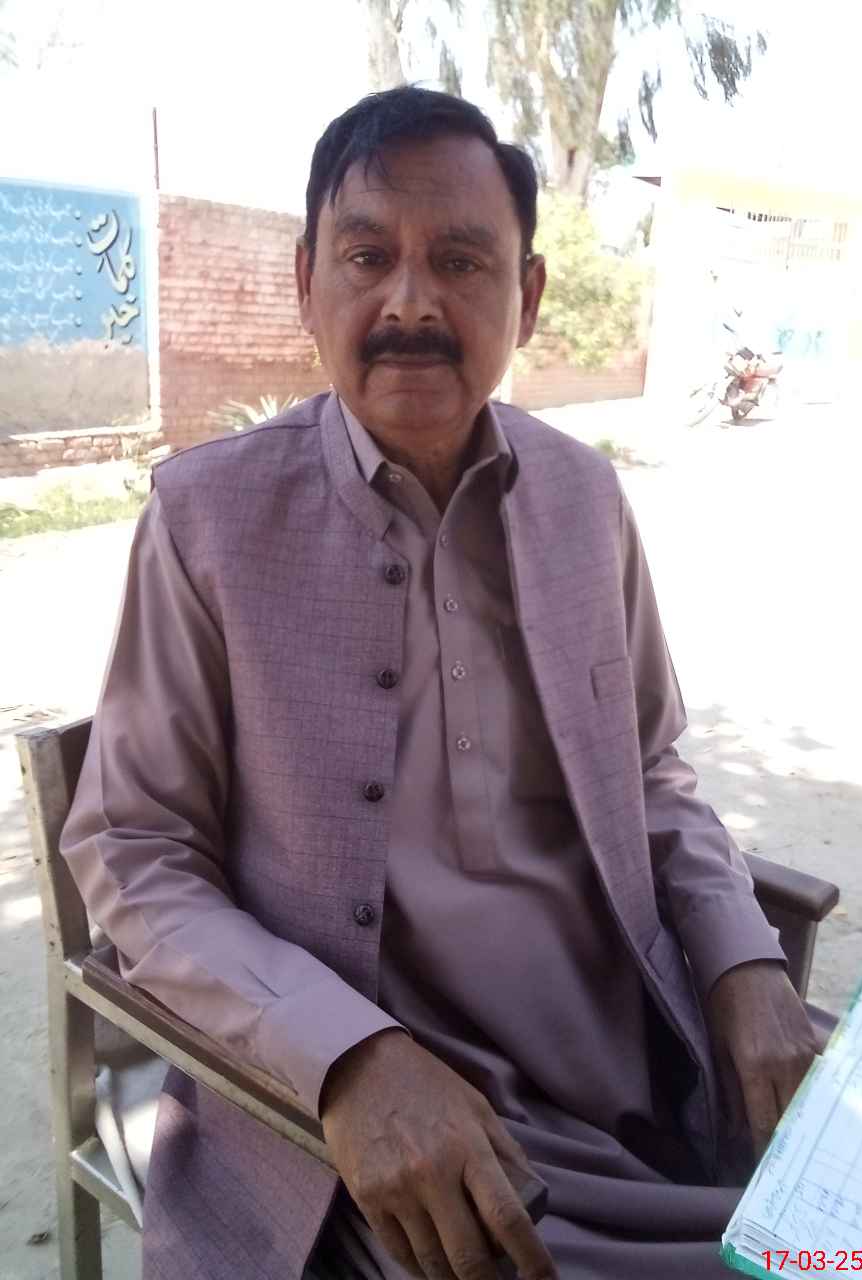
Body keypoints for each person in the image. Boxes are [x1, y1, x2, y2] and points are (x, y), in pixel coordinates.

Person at [60, 87, 818, 1280]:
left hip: (639, 1066)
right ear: (307, 280)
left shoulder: (586, 501)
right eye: (368, 256)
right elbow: (136, 852)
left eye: (461, 261)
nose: (411, 302)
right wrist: (347, 1055)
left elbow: (652, 771)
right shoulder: (208, 520)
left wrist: (744, 959)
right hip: (387, 1133)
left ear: (528, 295)